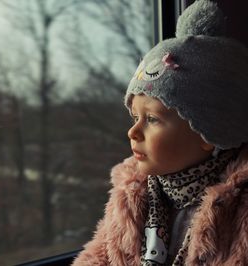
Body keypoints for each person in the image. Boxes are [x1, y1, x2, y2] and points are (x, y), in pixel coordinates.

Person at [72, 0, 248, 265]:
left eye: (151, 119)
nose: (133, 131)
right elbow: (100, 258)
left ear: (208, 132)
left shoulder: (239, 211)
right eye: (135, 117)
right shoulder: (132, 196)